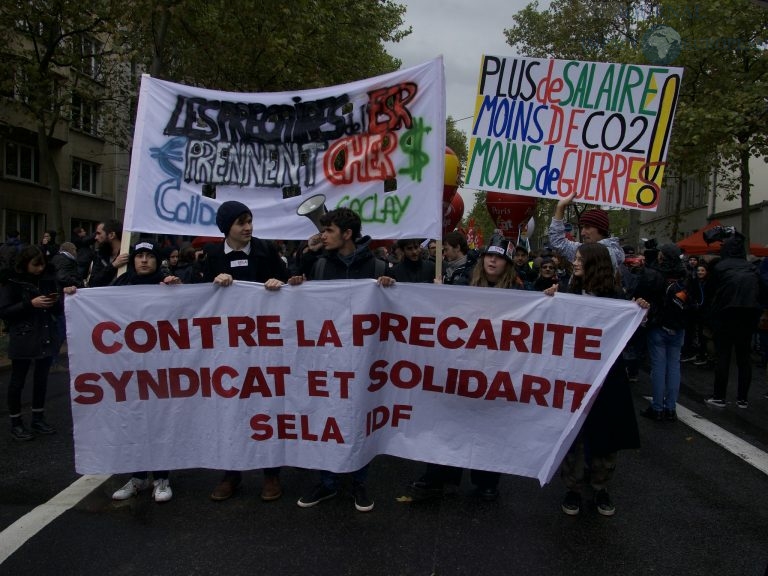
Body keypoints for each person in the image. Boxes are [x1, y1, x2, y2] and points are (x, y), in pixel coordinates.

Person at [292, 207, 395, 512]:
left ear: (347, 234)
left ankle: (359, 481)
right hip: (329, 358)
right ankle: (328, 482)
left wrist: (390, 288)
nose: (323, 236)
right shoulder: (320, 265)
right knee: (329, 417)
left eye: (329, 231)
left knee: (362, 417)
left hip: (364, 360)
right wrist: (296, 284)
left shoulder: (378, 265)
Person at [410, 234, 524, 502]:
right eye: (488, 255)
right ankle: (440, 475)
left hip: (496, 368)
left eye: (498, 257)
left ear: (507, 263)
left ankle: (486, 481)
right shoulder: (463, 283)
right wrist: (439, 297)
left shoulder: (521, 293)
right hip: (463, 365)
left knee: (489, 427)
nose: (492, 260)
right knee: (449, 421)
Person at [543, 243, 646, 516]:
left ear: (594, 263)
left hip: (607, 378)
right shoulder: (567, 292)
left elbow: (630, 338)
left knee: (607, 433)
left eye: (579, 259)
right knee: (574, 434)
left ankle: (601, 486)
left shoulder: (617, 298)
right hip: (573, 376)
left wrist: (639, 311)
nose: (574, 263)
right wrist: (548, 300)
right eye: (575, 259)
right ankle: (573, 487)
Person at [204, 200, 289, 502]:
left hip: (264, 347)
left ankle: (271, 474)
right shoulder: (212, 256)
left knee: (266, 406)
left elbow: (291, 282)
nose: (248, 227)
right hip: (226, 350)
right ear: (227, 227)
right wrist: (210, 285)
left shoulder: (265, 250)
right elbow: (194, 295)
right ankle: (231, 474)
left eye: (250, 220)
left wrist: (280, 283)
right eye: (242, 222)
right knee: (231, 410)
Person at [110, 240, 181, 503]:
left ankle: (162, 478)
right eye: (139, 255)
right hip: (129, 364)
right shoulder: (120, 283)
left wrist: (177, 290)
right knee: (136, 421)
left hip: (161, 365)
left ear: (156, 260)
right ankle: (138, 477)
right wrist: (107, 269)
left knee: (160, 421)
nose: (143, 260)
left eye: (149, 256)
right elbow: (94, 304)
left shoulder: (168, 283)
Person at [0, 246, 77, 440]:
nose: (40, 268)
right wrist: (30, 304)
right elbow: (5, 311)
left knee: (41, 379)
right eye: (36, 265)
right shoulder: (11, 282)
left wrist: (57, 301)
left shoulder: (48, 279)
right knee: (18, 380)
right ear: (25, 264)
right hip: (24, 336)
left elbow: (58, 310)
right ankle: (16, 422)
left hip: (44, 333)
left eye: (42, 264)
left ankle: (38, 418)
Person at [705, 233, 765, 409]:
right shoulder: (752, 268)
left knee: (723, 355)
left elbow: (710, 292)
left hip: (726, 314)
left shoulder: (720, 267)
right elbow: (762, 292)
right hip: (748, 314)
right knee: (744, 357)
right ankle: (742, 399)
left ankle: (719, 396)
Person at [633, 243, 688, 422]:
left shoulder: (653, 274)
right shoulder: (685, 275)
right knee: (674, 366)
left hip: (657, 325)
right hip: (678, 326)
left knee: (658, 366)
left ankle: (657, 407)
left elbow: (639, 295)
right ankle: (670, 408)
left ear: (661, 256)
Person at [547, 191, 625, 269]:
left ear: (601, 229)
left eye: (587, 227)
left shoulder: (613, 253)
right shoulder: (583, 249)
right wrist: (560, 207)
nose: (582, 233)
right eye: (582, 227)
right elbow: (557, 242)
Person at [87, 219, 129, 287]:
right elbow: (93, 283)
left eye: (99, 233)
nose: (96, 237)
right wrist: (113, 266)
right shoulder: (99, 255)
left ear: (112, 235)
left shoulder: (132, 255)